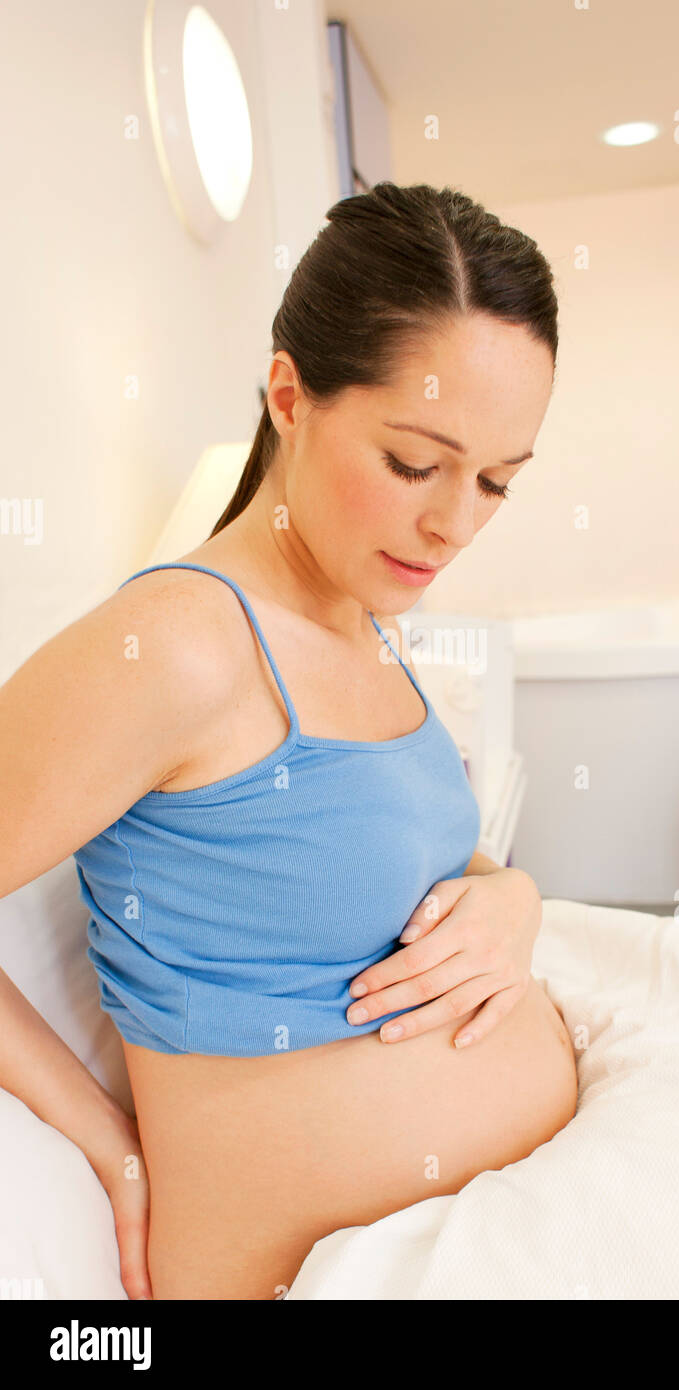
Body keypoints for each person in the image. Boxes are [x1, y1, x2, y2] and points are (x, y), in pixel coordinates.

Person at [0, 183, 578, 1300]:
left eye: (498, 481)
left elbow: (388, 856)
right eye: (415, 463)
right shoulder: (177, 644)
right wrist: (109, 1142)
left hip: (504, 1216)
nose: (454, 523)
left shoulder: (365, 617)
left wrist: (511, 900)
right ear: (289, 395)